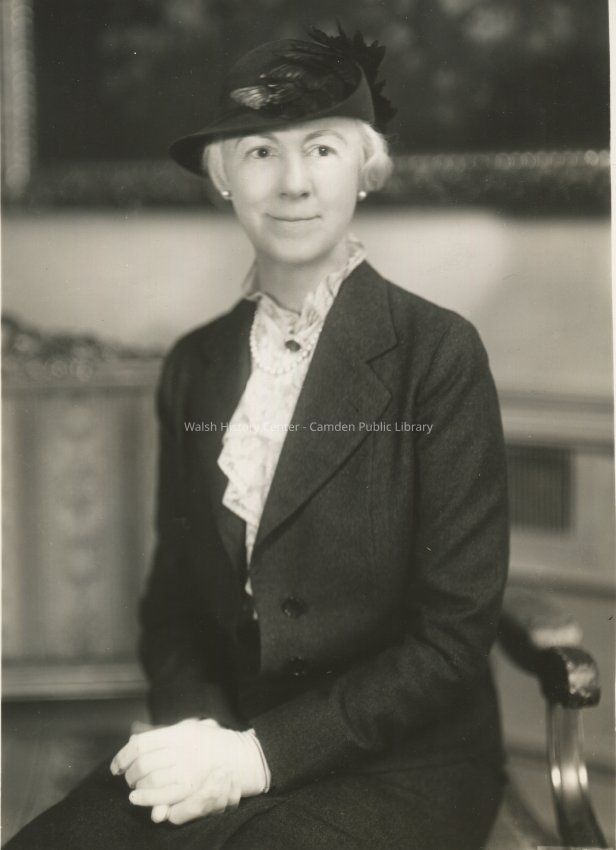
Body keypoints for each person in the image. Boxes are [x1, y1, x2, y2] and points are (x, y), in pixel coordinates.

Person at [6, 23, 509, 850]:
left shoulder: (439, 355)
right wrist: (201, 742)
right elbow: (172, 606)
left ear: (364, 169)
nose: (293, 182)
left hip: (403, 763)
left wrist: (259, 759)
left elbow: (451, 640)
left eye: (322, 149)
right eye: (260, 152)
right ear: (224, 179)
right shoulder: (194, 366)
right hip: (224, 735)